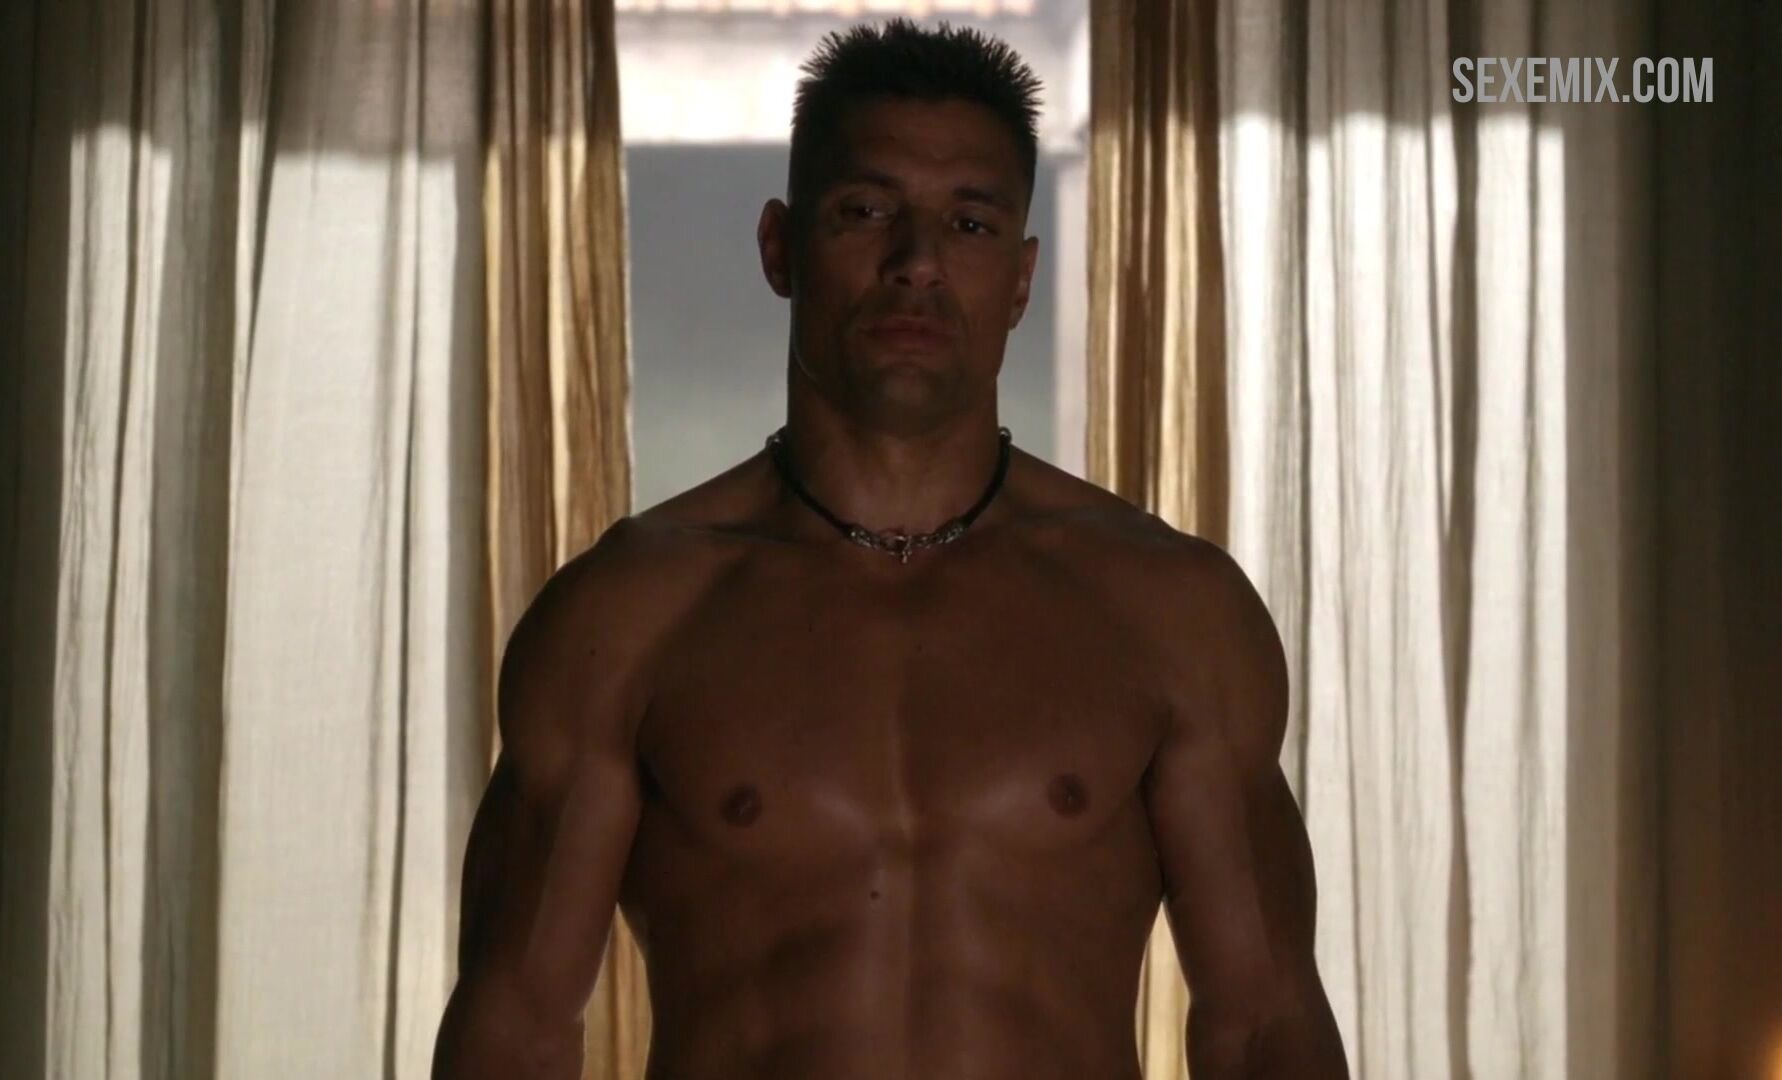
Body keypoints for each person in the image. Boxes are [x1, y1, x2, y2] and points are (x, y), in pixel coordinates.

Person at [432, 17, 1347, 1080]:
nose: (916, 264)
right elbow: (517, 1030)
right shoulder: (627, 617)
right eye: (866, 212)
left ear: (1021, 277)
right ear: (780, 247)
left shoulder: (1170, 610)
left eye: (969, 223)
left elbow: (1264, 1024)